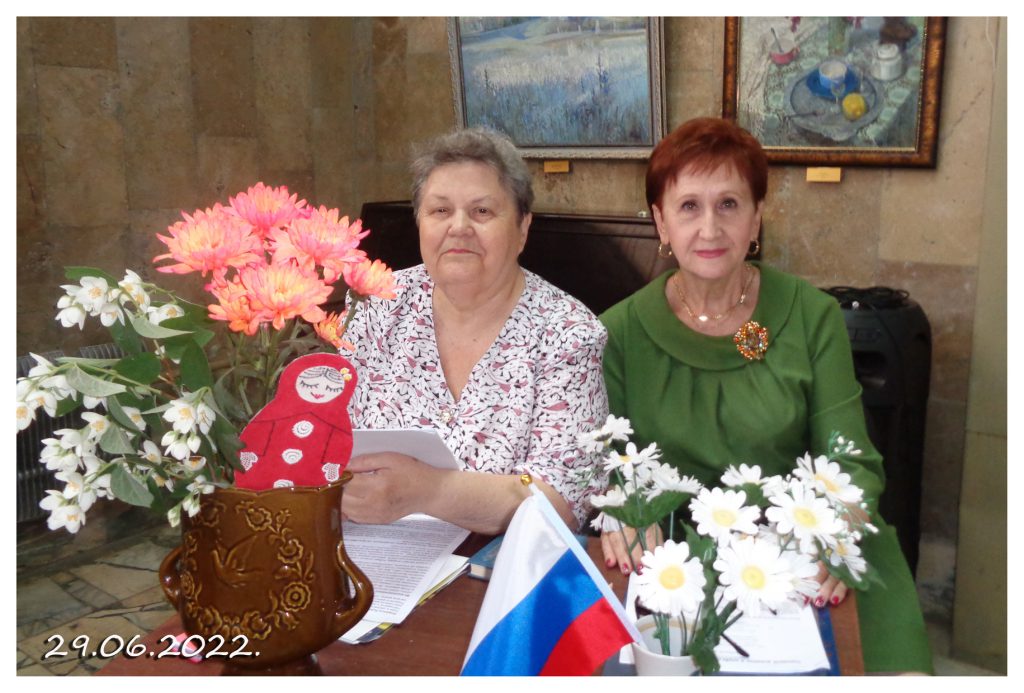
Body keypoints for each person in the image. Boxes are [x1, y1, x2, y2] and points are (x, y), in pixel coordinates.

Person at [598, 117, 932, 674]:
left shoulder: (811, 317)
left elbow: (849, 458)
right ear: (660, 221)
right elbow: (609, 462)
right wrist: (625, 511)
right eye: (689, 207)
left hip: (800, 542)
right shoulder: (620, 332)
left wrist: (834, 531)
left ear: (756, 218)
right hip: (676, 552)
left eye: (729, 204)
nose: (710, 228)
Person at [341, 127, 608, 534]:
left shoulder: (568, 332)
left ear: (522, 229)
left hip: (494, 564)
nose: (459, 227)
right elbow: (325, 440)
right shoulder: (374, 305)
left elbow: (561, 500)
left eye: (482, 211)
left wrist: (427, 491)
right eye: (440, 211)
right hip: (370, 550)